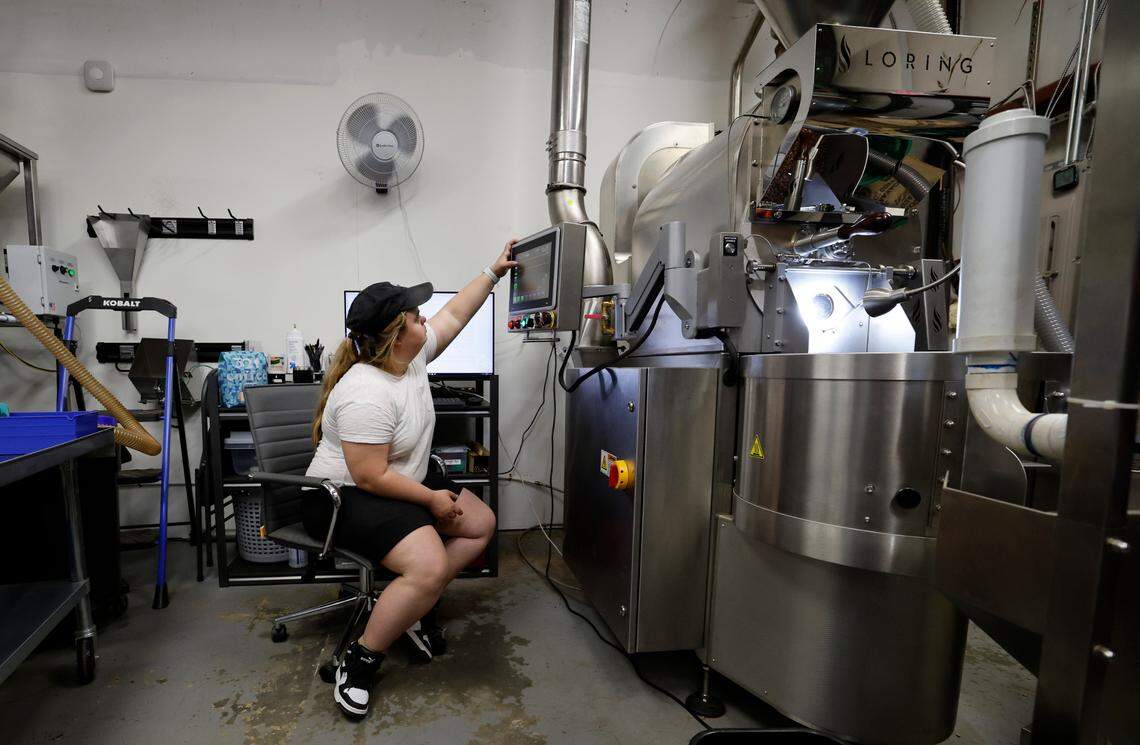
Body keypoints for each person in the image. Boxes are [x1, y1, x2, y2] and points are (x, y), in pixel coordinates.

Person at [304, 241, 516, 719]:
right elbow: (369, 475)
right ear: (396, 333)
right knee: (428, 565)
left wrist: (492, 271)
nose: (427, 320)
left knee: (480, 523)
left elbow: (456, 315)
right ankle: (359, 660)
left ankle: (409, 607)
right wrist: (433, 500)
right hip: (340, 498)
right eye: (418, 316)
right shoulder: (365, 391)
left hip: (392, 489)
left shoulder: (410, 360)